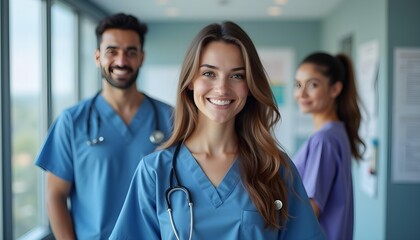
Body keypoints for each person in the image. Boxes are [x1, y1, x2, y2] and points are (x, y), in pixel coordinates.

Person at [109, 21, 325, 240]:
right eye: (209, 74)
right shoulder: (155, 171)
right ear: (191, 81)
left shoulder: (276, 170)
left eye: (237, 75)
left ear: (249, 86)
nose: (222, 88)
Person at [34, 13, 173, 239]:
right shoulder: (72, 122)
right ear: (98, 57)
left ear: (142, 58)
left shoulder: (171, 119)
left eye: (131, 52)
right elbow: (55, 195)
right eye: (112, 51)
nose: (121, 61)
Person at [293, 52, 366, 240]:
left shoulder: (323, 140)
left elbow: (309, 213)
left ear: (335, 89)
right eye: (298, 84)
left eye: (313, 85)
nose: (301, 94)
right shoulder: (337, 132)